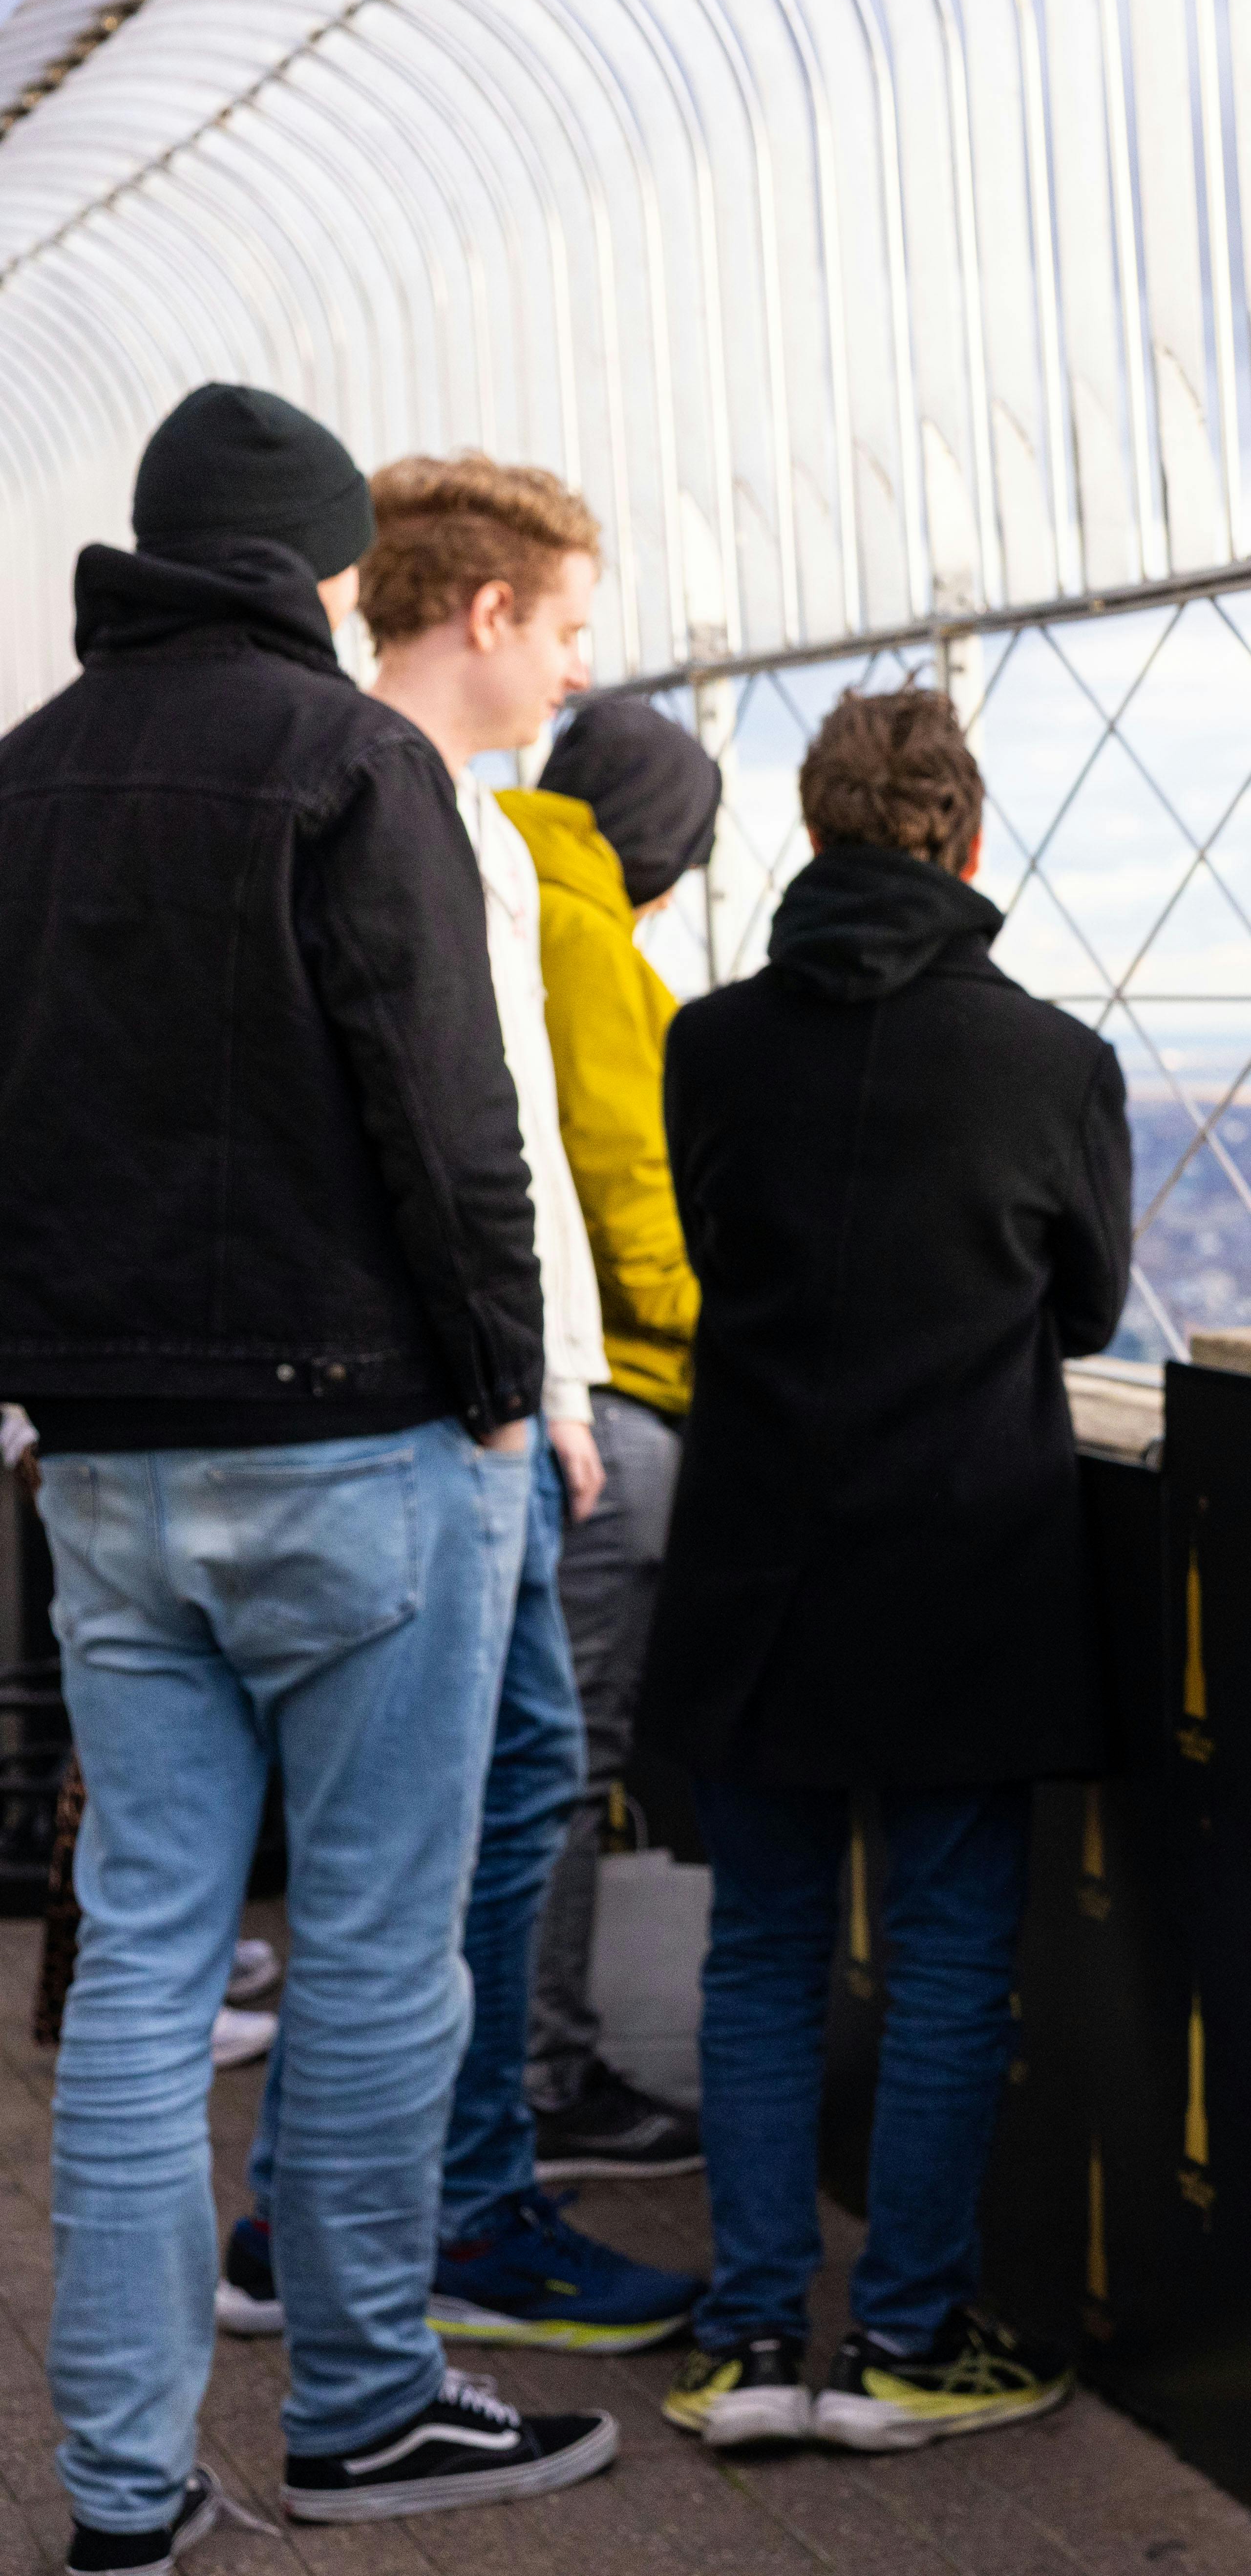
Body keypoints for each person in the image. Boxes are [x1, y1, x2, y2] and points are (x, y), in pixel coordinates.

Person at [0, 383, 615, 2565]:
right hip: (360, 1443)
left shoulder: (25, 779)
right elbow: (451, 1125)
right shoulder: (353, 763)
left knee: (148, 1962)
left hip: (106, 1465)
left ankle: (124, 2493)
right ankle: (357, 2409)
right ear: (318, 567)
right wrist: (492, 1389)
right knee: (376, 1954)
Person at [217, 458, 704, 2363]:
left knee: (397, 1840)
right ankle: (446, 2217)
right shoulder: (434, 822)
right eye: (570, 627)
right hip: (466, 1419)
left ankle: (322, 2222)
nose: (578, 670)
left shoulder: (342, 795)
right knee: (472, 1825)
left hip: (410, 1404)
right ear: (484, 614)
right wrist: (540, 1391)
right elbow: (492, 1146)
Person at [645, 684, 1128, 2454]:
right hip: (964, 1565)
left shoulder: (709, 1045)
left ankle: (750, 2343)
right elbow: (1081, 1309)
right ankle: (914, 2342)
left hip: (758, 1556)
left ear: (817, 830)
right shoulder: (1052, 1060)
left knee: (761, 1953)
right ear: (968, 840)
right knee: (942, 1963)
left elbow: (717, 1263)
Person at [500, 697, 727, 2181]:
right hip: (615, 1406)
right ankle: (544, 2083)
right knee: (561, 1766)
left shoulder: (503, 883)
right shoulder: (584, 946)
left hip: (528, 1398)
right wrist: (737, 1330)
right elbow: (630, 1203)